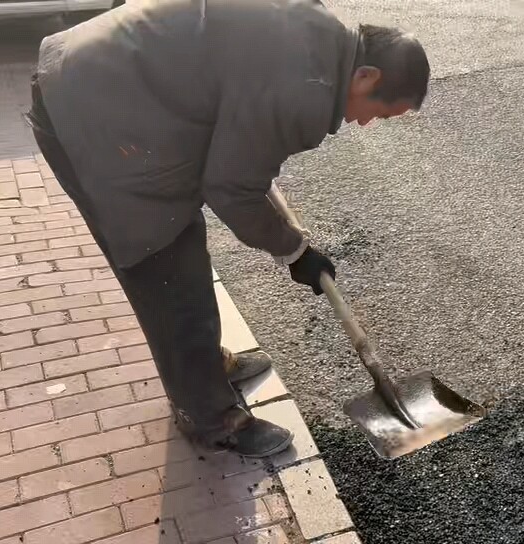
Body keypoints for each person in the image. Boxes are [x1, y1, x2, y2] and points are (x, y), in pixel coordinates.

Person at [26, 0, 430, 457]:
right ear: (367, 76)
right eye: (379, 111)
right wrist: (294, 251)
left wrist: (283, 231)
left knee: (182, 241)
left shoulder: (319, 31)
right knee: (163, 263)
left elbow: (243, 140)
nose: (365, 122)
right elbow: (232, 189)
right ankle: (209, 416)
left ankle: (206, 364)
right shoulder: (306, 90)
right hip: (94, 112)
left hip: (114, 82)